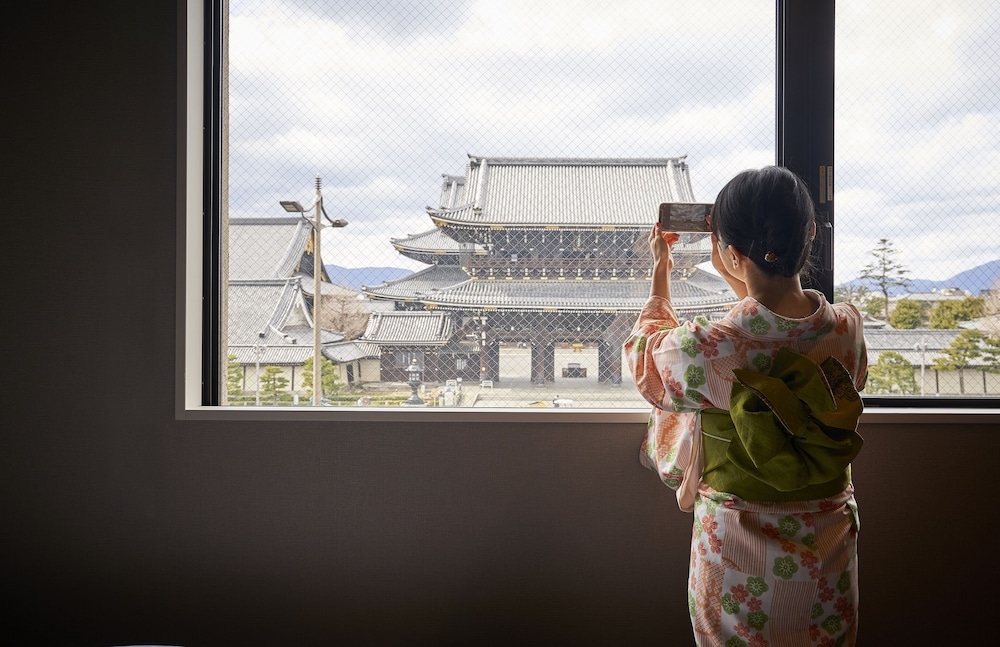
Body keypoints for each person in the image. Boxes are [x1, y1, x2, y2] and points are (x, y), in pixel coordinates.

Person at [625, 166, 868, 646]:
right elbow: (779, 322)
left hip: (738, 546)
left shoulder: (709, 347)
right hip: (827, 540)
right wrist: (741, 274)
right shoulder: (847, 330)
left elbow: (645, 359)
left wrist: (661, 271)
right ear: (811, 234)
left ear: (731, 253)